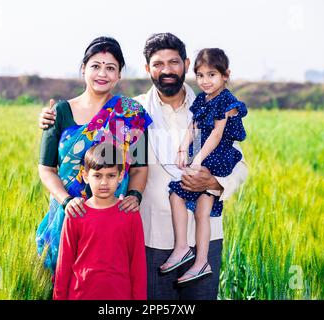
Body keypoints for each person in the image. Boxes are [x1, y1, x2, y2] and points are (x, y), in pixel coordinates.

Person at [39, 33, 248, 300]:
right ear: (147, 69)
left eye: (174, 62)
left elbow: (239, 164)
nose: (167, 70)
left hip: (203, 239)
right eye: (158, 64)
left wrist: (213, 183)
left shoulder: (211, 108)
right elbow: (60, 153)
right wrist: (47, 117)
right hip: (151, 238)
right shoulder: (134, 111)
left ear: (186, 64)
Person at [36, 36, 152, 276]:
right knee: (63, 282)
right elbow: (46, 169)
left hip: (112, 219)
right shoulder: (60, 112)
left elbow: (139, 166)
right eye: (96, 66)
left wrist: (134, 195)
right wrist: (68, 201)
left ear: (119, 74)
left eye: (111, 68)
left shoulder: (130, 113)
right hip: (68, 217)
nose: (103, 73)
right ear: (83, 69)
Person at [160, 48, 247, 285]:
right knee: (179, 197)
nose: (205, 81)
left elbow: (216, 135)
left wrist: (197, 159)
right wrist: (182, 147)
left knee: (201, 211)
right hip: (203, 154)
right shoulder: (201, 99)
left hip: (217, 158)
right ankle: (182, 248)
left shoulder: (227, 101)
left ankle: (201, 261)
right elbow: (194, 126)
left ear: (225, 75)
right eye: (200, 75)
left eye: (212, 75)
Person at [53, 143, 147, 300]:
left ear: (121, 176)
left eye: (111, 175)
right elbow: (63, 265)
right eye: (97, 176)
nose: (104, 182)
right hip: (79, 295)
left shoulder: (130, 214)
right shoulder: (76, 214)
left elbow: (138, 266)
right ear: (85, 176)